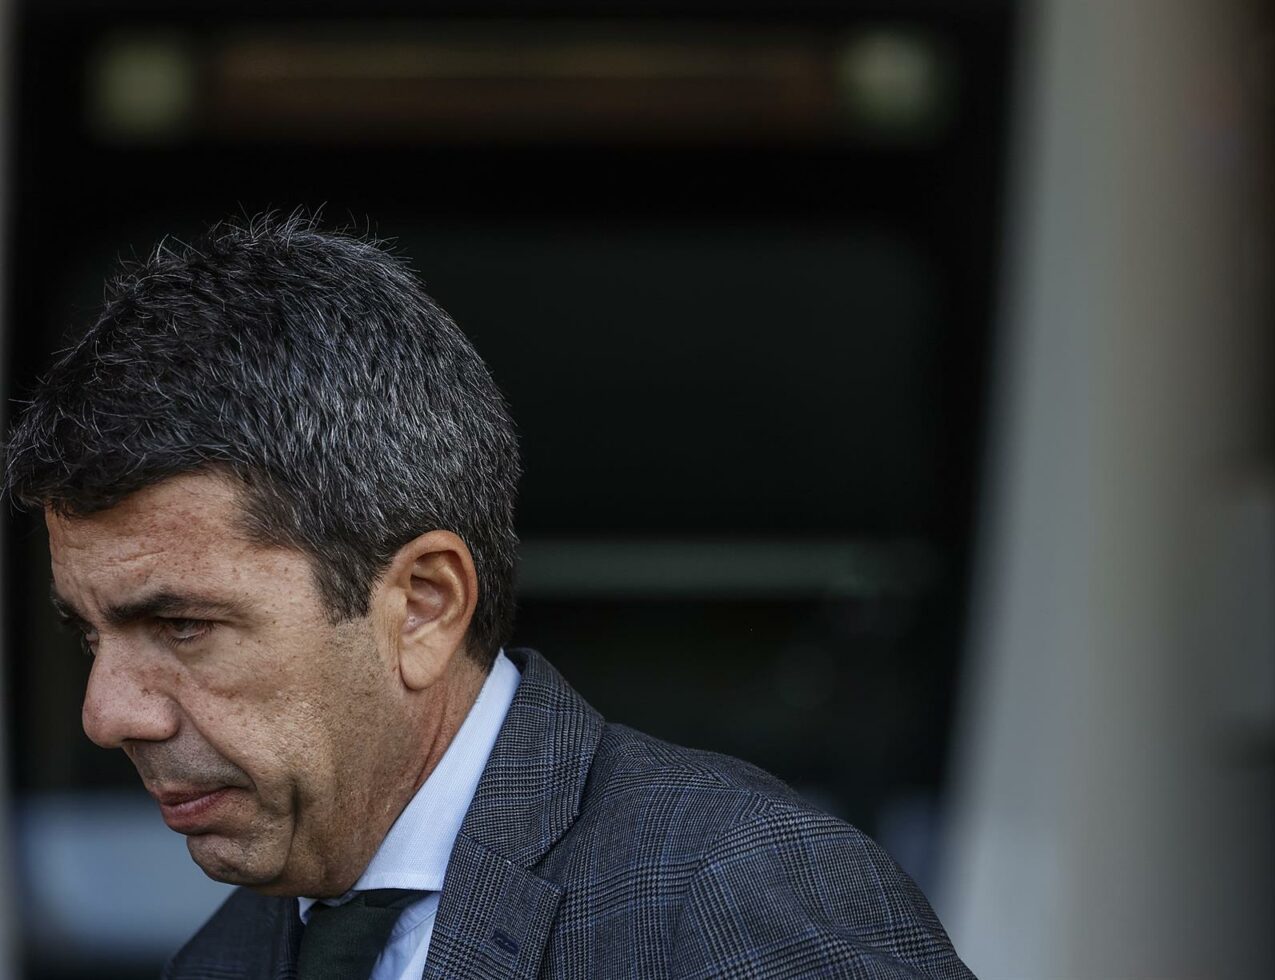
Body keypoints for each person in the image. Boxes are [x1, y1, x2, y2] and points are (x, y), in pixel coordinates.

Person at [3, 215, 974, 980]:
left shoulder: (737, 893)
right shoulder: (224, 959)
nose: (106, 713)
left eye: (182, 625)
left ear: (424, 605)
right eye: (89, 635)